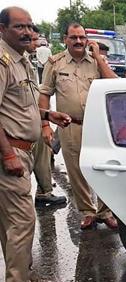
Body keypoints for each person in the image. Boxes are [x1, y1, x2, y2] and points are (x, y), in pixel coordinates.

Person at [0, 6, 72, 282]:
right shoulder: (2, 62)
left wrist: (48, 113)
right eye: (20, 27)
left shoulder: (22, 61)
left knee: (12, 224)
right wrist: (7, 155)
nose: (28, 32)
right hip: (11, 152)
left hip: (24, 151)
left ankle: (23, 278)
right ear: (2, 29)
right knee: (22, 221)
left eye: (30, 26)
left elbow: (21, 106)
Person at [39, 22, 119, 230]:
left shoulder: (96, 61)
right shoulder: (55, 63)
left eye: (82, 37)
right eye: (73, 37)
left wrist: (99, 58)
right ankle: (87, 212)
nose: (78, 41)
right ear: (65, 39)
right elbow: (45, 94)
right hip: (69, 125)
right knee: (75, 171)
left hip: (99, 125)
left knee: (105, 169)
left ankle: (105, 211)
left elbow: (114, 84)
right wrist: (45, 125)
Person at [26, 26, 66, 207]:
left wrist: (46, 117)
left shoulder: (25, 61)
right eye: (32, 40)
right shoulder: (7, 62)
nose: (35, 45)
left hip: (35, 120)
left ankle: (44, 191)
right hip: (19, 129)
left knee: (43, 154)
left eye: (36, 40)